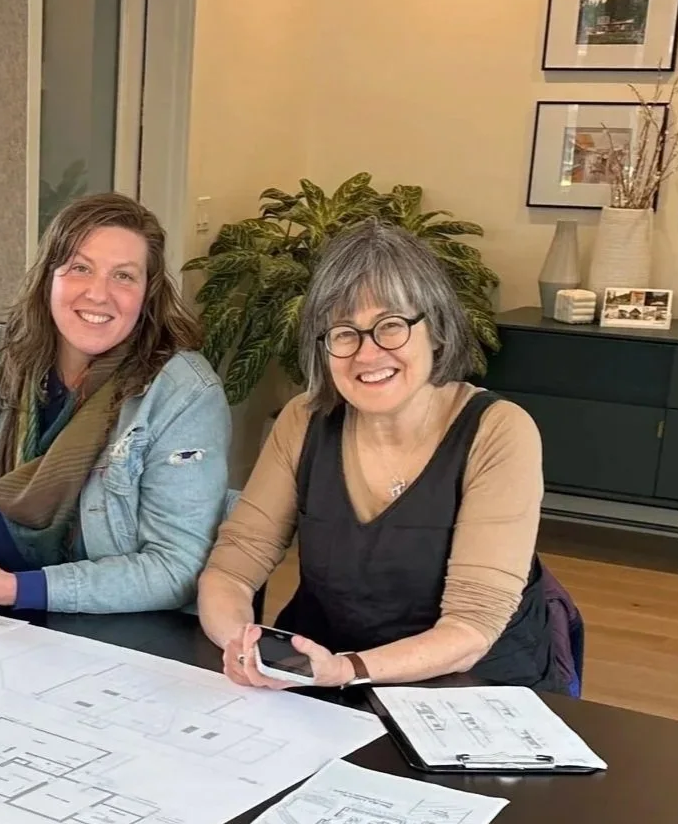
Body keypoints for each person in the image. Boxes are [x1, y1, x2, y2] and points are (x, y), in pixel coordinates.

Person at [199, 219, 553, 691]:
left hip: (464, 683)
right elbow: (232, 567)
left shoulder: (499, 430)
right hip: (316, 674)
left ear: (436, 331)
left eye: (390, 326)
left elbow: (471, 629)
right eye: (344, 333)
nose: (367, 355)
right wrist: (243, 647)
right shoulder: (304, 419)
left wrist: (346, 670)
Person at [0, 192, 230, 614]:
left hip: (113, 634)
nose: (98, 294)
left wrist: (12, 589)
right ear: (49, 276)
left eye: (124, 276)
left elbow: (176, 568)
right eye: (80, 268)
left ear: (147, 294)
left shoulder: (185, 393)